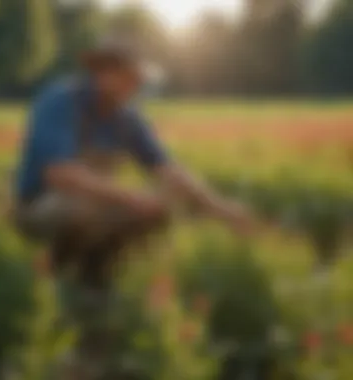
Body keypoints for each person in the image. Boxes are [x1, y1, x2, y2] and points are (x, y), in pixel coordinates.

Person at [13, 37, 254, 379]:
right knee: (86, 208)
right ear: (104, 73)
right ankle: (54, 278)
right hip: (39, 206)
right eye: (131, 77)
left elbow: (168, 171)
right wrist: (130, 197)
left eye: (139, 78)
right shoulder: (59, 101)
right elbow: (60, 174)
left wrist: (223, 209)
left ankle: (99, 276)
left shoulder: (127, 117)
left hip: (92, 204)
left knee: (160, 209)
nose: (137, 85)